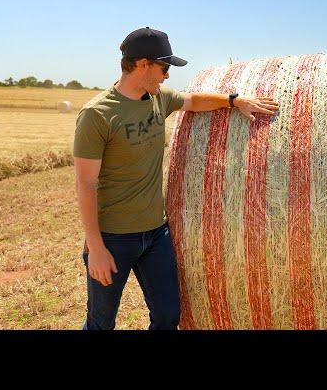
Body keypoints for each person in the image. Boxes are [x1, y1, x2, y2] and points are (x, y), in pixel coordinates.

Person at [73, 27, 279, 330]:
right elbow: (85, 184)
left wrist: (235, 101)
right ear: (143, 64)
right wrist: (97, 246)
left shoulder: (159, 98)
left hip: (156, 233)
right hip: (113, 237)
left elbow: (193, 100)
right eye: (164, 67)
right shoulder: (98, 114)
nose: (167, 76)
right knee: (101, 323)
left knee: (168, 317)